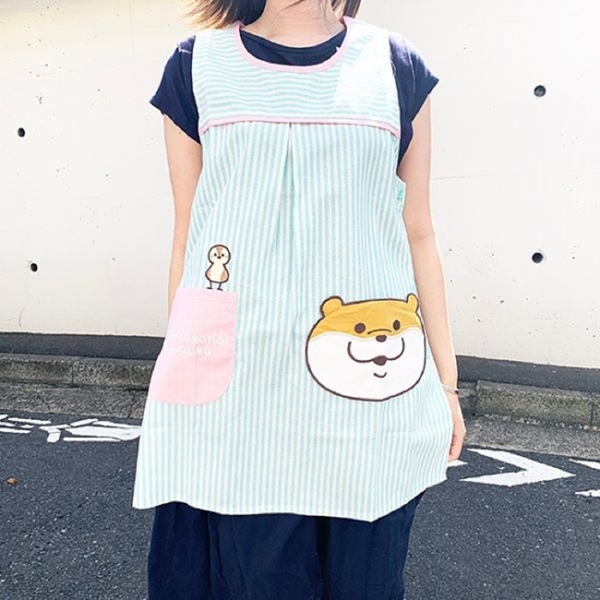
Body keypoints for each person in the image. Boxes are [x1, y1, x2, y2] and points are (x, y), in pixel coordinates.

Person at [133, 0, 466, 598]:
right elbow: (191, 232)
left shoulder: (394, 65)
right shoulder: (196, 64)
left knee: (365, 580)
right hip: (242, 392)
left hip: (371, 390)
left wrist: (446, 383)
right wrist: (182, 378)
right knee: (256, 579)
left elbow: (417, 230)